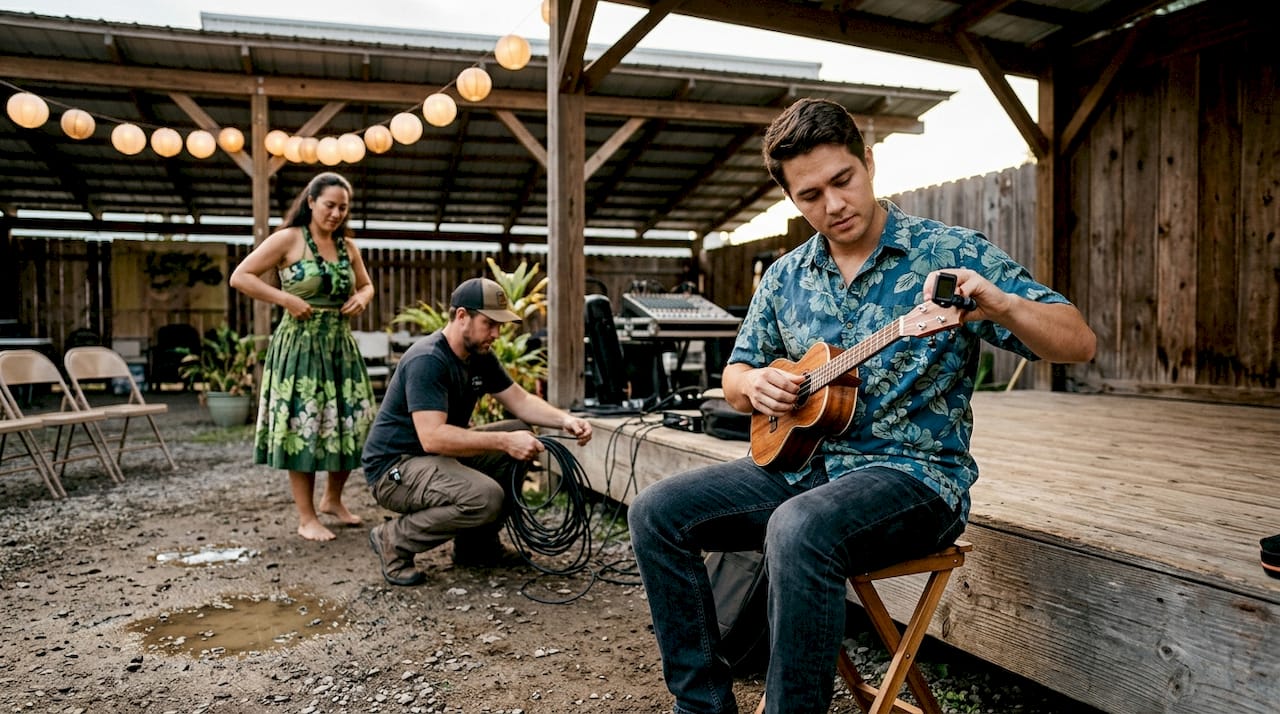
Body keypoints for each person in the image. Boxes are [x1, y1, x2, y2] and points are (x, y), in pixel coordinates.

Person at [628, 98, 1097, 714]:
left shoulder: (948, 253)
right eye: (810, 195)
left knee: (797, 528)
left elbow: (1077, 341)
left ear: (869, 161)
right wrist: (758, 384)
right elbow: (736, 373)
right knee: (657, 511)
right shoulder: (785, 277)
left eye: (843, 181)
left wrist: (1002, 306)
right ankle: (703, 707)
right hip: (803, 466)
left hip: (916, 478)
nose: (833, 205)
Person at [361, 277, 593, 586]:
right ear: (461, 317)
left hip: (433, 458)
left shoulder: (479, 356)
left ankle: (476, 547)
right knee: (486, 497)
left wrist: (565, 420)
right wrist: (504, 442)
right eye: (489, 324)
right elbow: (433, 437)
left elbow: (520, 400)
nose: (496, 334)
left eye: (499, 325)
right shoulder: (428, 359)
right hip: (395, 469)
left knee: (518, 428)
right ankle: (394, 539)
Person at [229, 171, 377, 542]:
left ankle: (333, 500)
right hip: (300, 346)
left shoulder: (347, 247)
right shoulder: (288, 239)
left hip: (339, 345)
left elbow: (367, 284)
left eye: (343, 207)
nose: (336, 213)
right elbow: (241, 276)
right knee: (305, 427)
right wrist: (286, 299)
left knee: (347, 423)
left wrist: (363, 297)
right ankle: (306, 516)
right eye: (329, 205)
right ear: (311, 202)